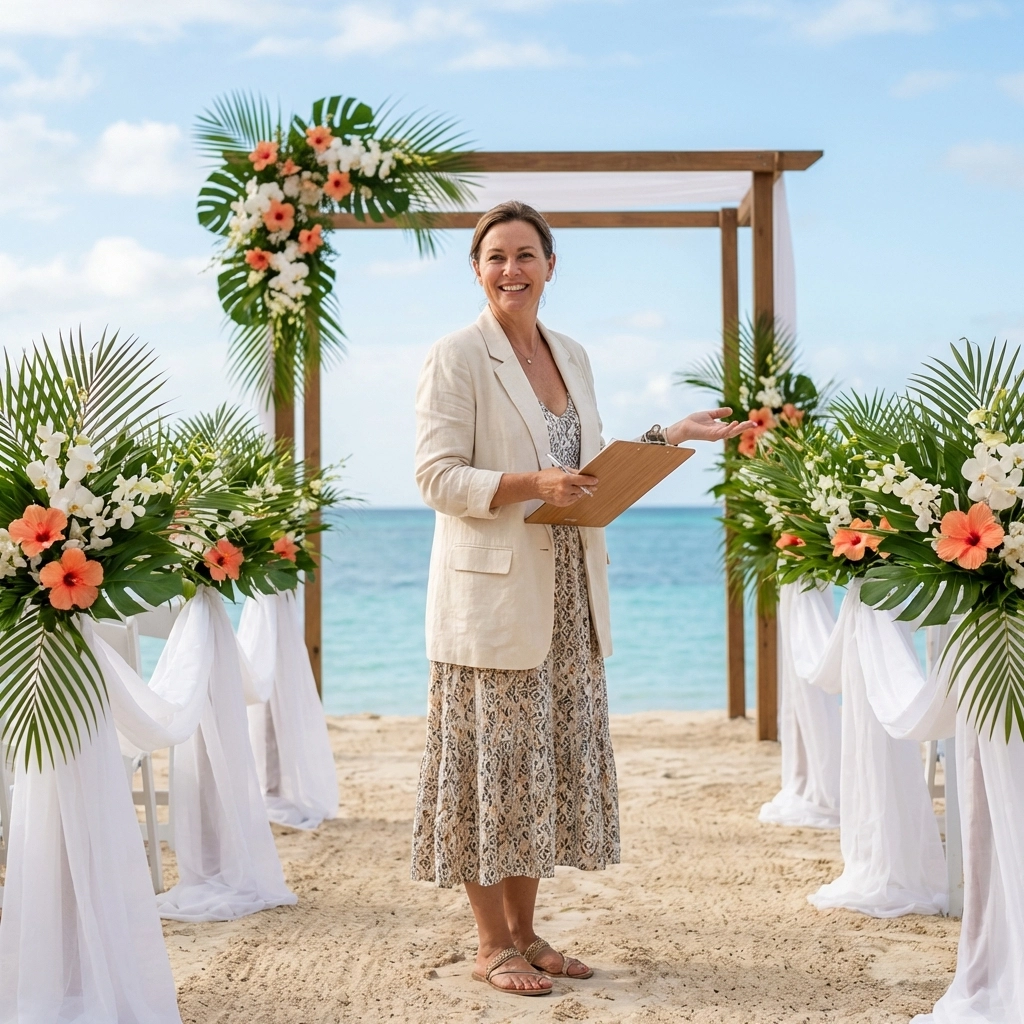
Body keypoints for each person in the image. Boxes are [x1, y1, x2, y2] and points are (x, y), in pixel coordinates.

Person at [411, 200, 752, 996]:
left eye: (525, 255)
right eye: (495, 257)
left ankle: (528, 936)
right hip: (491, 597)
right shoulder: (455, 356)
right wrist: (531, 484)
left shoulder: (572, 353)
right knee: (488, 769)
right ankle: (490, 943)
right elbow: (434, 476)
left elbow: (586, 460)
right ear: (476, 269)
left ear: (551, 266)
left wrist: (670, 436)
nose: (511, 270)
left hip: (570, 593)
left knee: (538, 769)